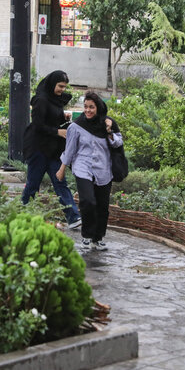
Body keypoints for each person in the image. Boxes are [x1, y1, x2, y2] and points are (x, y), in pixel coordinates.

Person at [56, 92, 123, 251]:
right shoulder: (76, 126)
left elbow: (118, 142)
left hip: (103, 170)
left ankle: (98, 238)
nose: (88, 110)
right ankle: (86, 236)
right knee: (88, 201)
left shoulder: (108, 123)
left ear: (98, 108)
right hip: (83, 167)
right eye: (85, 107)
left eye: (91, 107)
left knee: (102, 206)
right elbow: (70, 149)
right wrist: (62, 169)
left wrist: (108, 131)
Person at [22, 70, 81, 229]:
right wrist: (57, 132)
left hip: (53, 150)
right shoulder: (41, 100)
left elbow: (51, 118)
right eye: (60, 86)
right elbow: (38, 125)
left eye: (64, 86)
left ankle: (73, 217)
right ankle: (23, 214)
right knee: (33, 184)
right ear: (52, 83)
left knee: (61, 183)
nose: (62, 89)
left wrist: (63, 119)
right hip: (38, 149)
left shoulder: (55, 100)